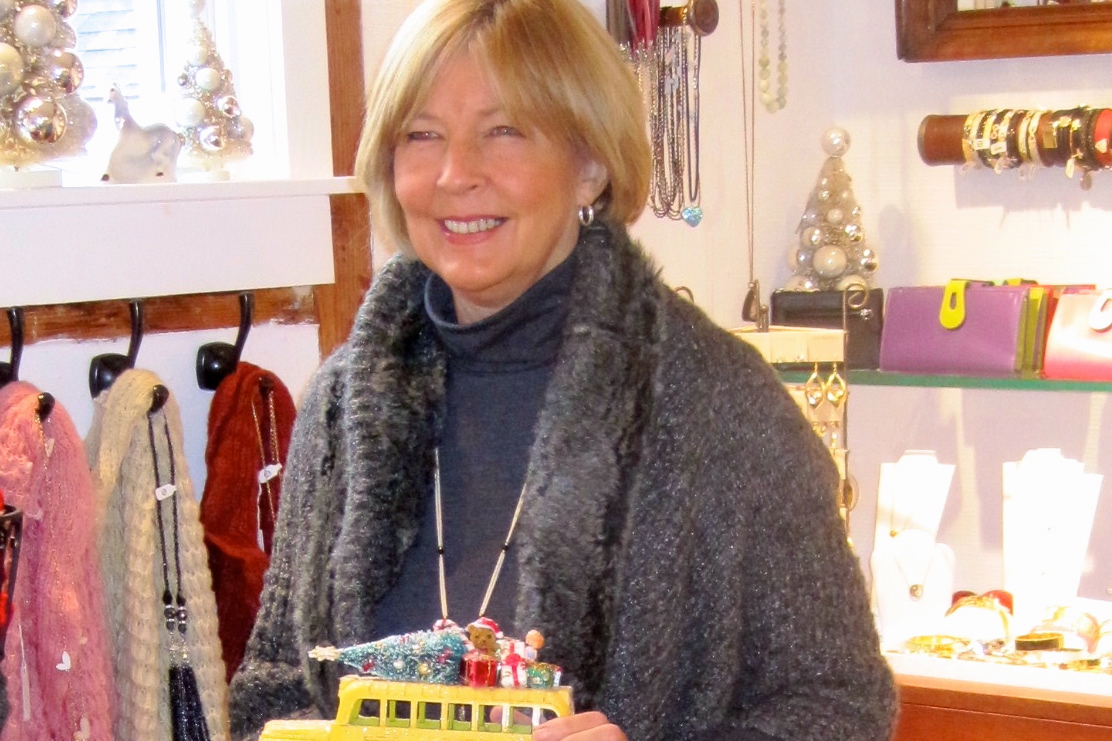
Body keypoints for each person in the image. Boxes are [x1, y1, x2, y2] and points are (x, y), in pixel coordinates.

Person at [229, 0, 897, 739]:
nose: (455, 174)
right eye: (422, 134)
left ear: (590, 164)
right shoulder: (341, 404)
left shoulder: (717, 404)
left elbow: (840, 706)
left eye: (504, 131)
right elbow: (273, 688)